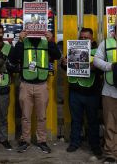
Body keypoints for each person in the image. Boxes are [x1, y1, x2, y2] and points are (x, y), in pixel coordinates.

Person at [8, 30, 61, 153]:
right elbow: (14, 59)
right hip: (26, 84)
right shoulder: (23, 42)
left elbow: (57, 56)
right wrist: (20, 41)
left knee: (42, 116)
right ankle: (25, 141)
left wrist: (51, 41)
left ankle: (42, 141)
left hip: (42, 85)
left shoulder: (46, 42)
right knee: (25, 116)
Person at [61, 28, 102, 157]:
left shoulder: (97, 52)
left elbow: (102, 71)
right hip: (75, 91)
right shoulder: (73, 49)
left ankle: (95, 145)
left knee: (93, 121)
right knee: (76, 120)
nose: (84, 39)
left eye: (86, 38)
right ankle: (75, 143)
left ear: (92, 39)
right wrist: (64, 63)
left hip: (91, 93)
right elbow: (65, 67)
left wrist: (94, 67)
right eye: (82, 37)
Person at [93, 24, 117, 164]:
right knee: (110, 125)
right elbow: (96, 60)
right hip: (110, 92)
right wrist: (111, 66)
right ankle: (110, 154)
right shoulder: (106, 43)